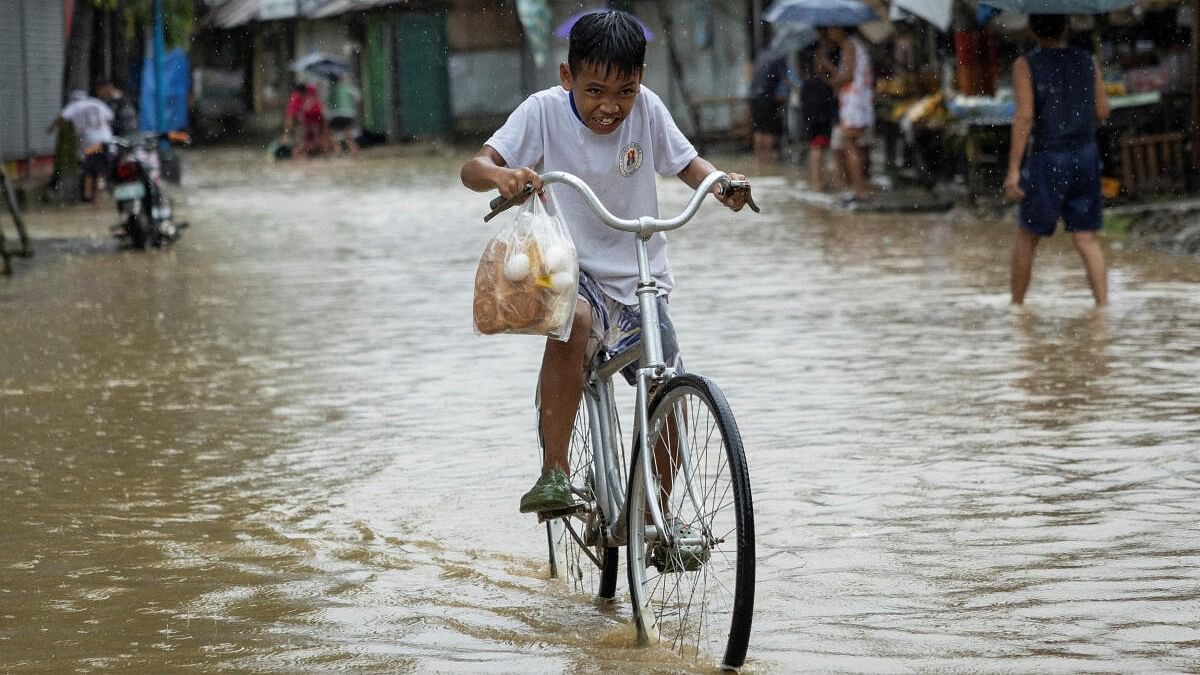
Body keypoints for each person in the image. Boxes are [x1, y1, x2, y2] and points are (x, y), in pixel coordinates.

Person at [459, 10, 749, 516]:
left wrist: (721, 183)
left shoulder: (649, 110)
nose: (610, 107)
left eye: (625, 91)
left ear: (641, 82)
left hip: (642, 275)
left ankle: (653, 518)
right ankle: (554, 472)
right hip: (571, 268)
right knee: (576, 325)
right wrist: (500, 177)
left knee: (668, 388)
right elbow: (473, 167)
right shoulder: (542, 111)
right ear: (567, 77)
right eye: (595, 91)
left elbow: (685, 162)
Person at [1004, 14, 1109, 306]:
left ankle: (1017, 310)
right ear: (1066, 27)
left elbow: (1024, 117)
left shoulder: (1026, 64)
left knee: (1028, 237)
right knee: (1086, 237)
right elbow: (1102, 110)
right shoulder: (1087, 60)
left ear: (1031, 30)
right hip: (1086, 154)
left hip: (1049, 157)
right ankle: (1102, 308)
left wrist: (1013, 169)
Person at [816, 26, 874, 202]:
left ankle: (859, 190)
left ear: (842, 29)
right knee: (854, 145)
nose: (830, 33)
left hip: (854, 103)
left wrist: (826, 66)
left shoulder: (849, 45)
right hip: (857, 101)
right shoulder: (854, 45)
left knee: (850, 145)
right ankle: (859, 187)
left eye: (833, 29)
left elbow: (846, 77)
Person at [47, 89, 114, 202]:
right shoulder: (96, 102)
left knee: (89, 169)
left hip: (89, 143)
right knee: (99, 169)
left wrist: (51, 128)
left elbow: (62, 117)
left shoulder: (74, 106)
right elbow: (110, 117)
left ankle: (90, 197)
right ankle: (95, 196)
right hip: (105, 140)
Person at [799, 44, 839, 192]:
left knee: (818, 150)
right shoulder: (822, 82)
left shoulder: (809, 81)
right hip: (820, 120)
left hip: (814, 120)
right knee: (821, 151)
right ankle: (820, 183)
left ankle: (819, 182)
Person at [749, 52, 789, 164]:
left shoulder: (761, 56)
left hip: (754, 98)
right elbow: (784, 78)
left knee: (759, 130)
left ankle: (759, 160)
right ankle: (768, 160)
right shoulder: (779, 57)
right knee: (768, 131)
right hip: (767, 99)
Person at [283, 83, 327, 158]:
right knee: (304, 144)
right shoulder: (296, 98)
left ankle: (304, 151)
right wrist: (286, 134)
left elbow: (322, 115)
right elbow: (290, 117)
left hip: (314, 124)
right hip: (307, 125)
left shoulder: (309, 98)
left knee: (310, 144)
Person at [325, 73, 361, 158]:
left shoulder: (330, 89)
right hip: (348, 113)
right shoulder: (347, 87)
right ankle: (353, 150)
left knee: (331, 133)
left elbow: (327, 103)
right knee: (348, 134)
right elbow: (358, 97)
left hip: (334, 114)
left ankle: (338, 150)